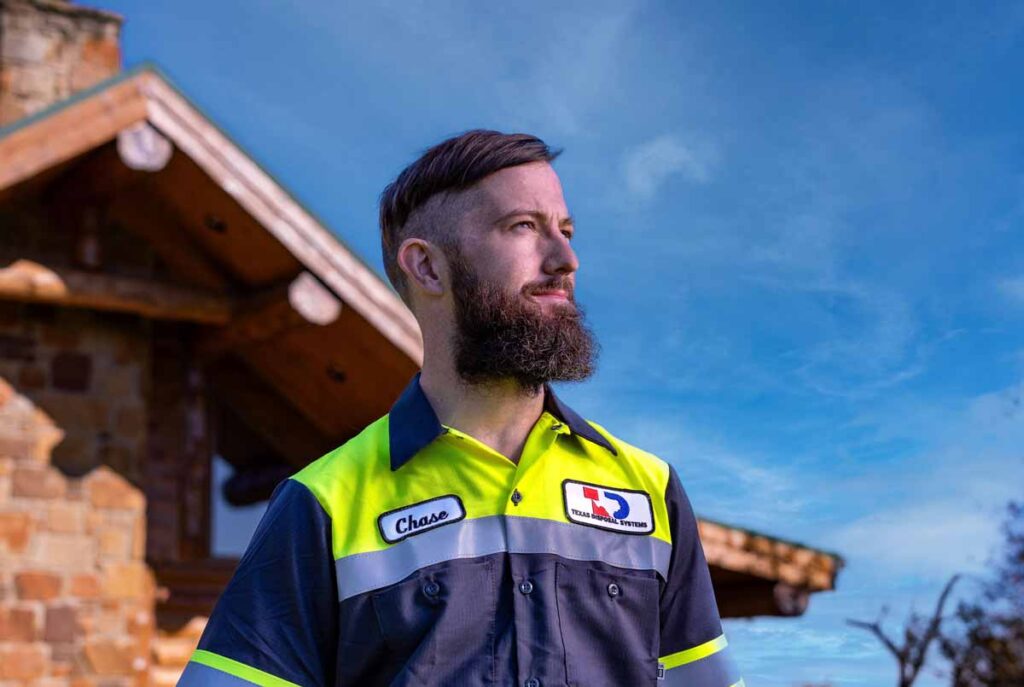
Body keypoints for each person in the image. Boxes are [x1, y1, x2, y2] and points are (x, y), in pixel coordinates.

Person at [179, 130, 743, 687]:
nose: (566, 258)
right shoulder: (322, 503)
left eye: (566, 231)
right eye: (524, 226)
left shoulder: (650, 488)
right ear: (427, 268)